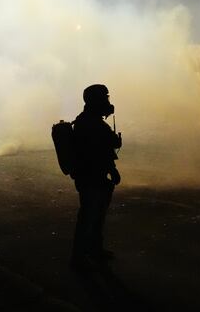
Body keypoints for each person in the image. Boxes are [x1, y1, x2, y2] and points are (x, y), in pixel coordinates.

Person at [70, 84, 122, 271]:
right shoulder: (90, 123)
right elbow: (98, 151)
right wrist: (112, 169)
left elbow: (104, 149)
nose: (108, 102)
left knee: (96, 214)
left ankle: (93, 250)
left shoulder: (88, 121)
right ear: (95, 100)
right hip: (91, 176)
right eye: (104, 98)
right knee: (89, 216)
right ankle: (79, 256)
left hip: (93, 175)